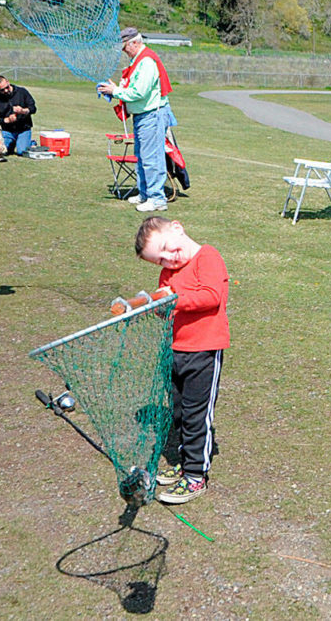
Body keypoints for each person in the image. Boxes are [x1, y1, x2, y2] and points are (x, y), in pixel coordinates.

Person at [135, 216, 230, 504]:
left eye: (166, 248)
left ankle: (195, 476)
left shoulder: (208, 257)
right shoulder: (169, 274)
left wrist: (172, 297)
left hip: (204, 352)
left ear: (177, 228)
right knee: (179, 411)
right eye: (159, 261)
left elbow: (210, 297)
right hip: (176, 351)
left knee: (196, 415)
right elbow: (171, 306)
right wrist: (158, 307)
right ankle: (186, 460)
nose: (167, 259)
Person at [98, 27, 175, 212]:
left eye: (125, 46)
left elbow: (140, 92)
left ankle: (157, 198)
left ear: (134, 42)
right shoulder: (138, 61)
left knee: (151, 158)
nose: (124, 51)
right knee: (141, 157)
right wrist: (117, 88)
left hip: (152, 115)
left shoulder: (147, 61)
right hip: (143, 116)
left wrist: (115, 91)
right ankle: (145, 194)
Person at [0, 75, 36, 156]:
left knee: (21, 152)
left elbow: (33, 108)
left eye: (7, 87)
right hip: (7, 131)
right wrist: (7, 120)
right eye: (2, 90)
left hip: (23, 129)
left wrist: (23, 111)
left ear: (8, 82)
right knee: (1, 151)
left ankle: (31, 142)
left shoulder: (22, 92)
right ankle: (12, 143)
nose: (6, 91)